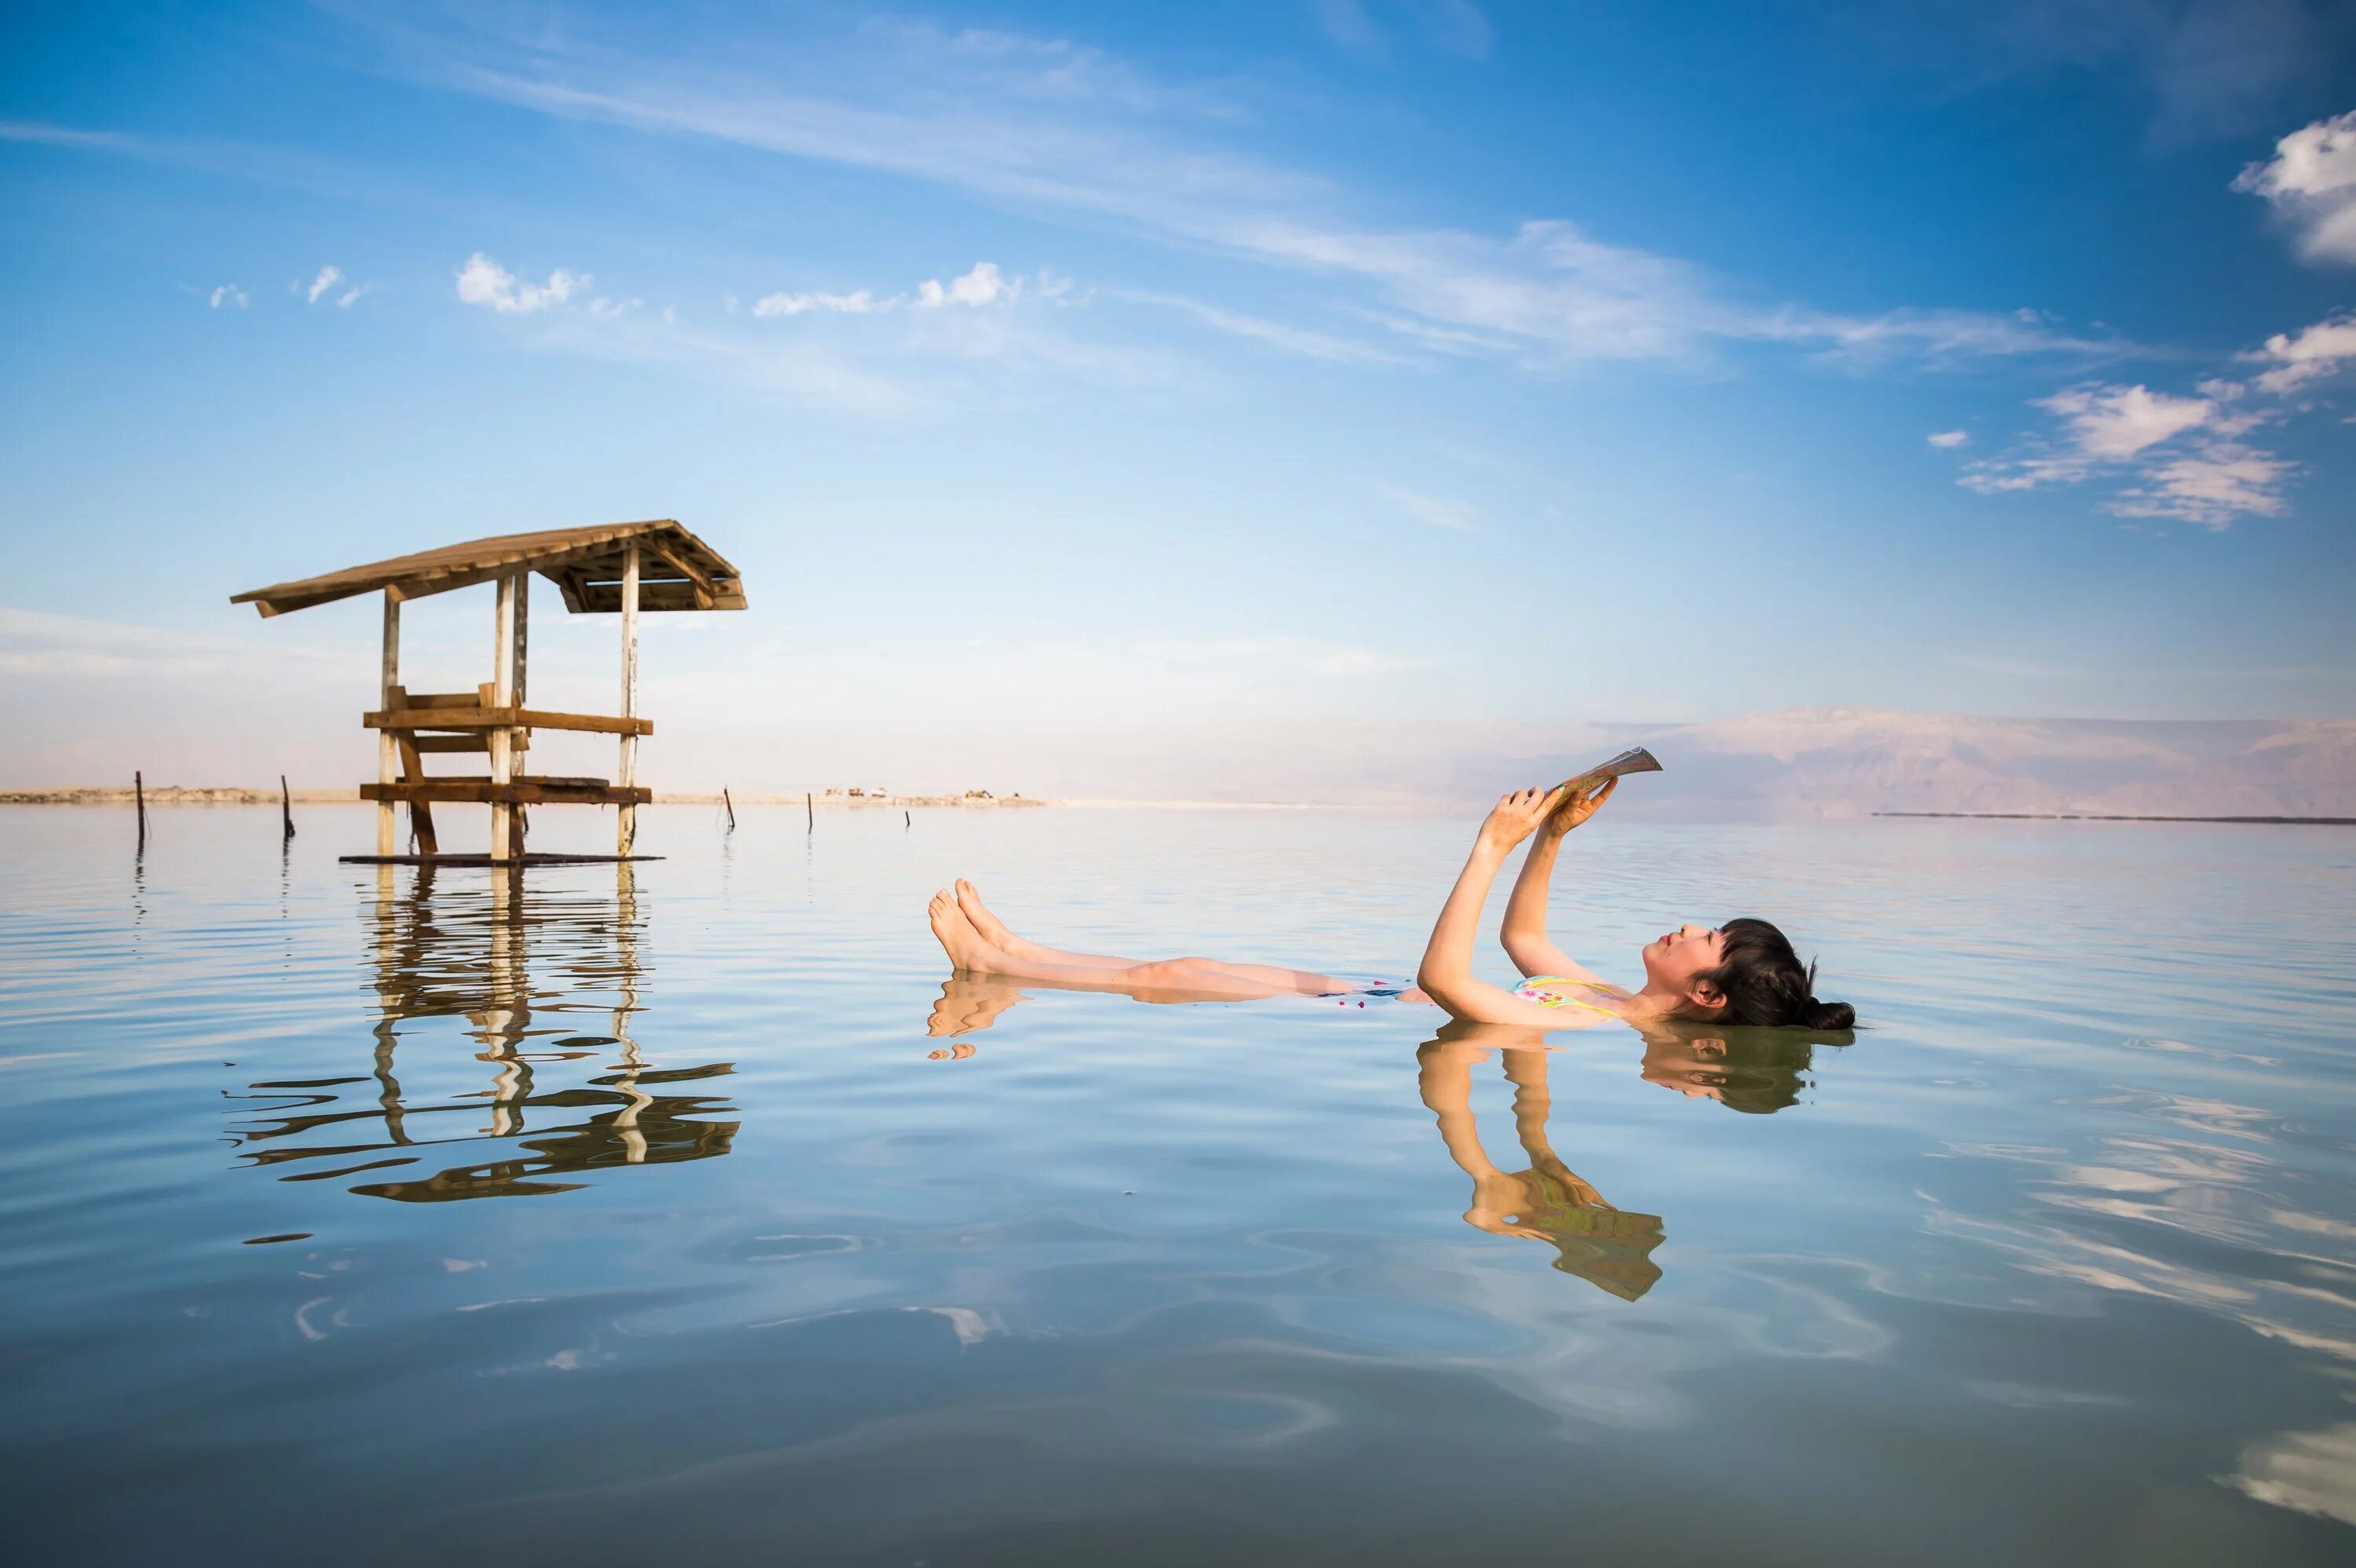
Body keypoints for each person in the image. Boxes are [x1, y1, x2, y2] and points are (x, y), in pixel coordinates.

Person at [924, 777, 1855, 1033]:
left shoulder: (1596, 1028)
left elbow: (1446, 977)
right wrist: (1554, 835)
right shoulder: (1608, 997)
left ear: (1707, 993)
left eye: (1709, 939)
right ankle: (1017, 947)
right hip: (1365, 990)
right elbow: (1523, 937)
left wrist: (1489, 845)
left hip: (1352, 1014)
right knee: (1185, 957)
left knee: (1171, 977)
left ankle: (995, 967)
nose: (1690, 927)